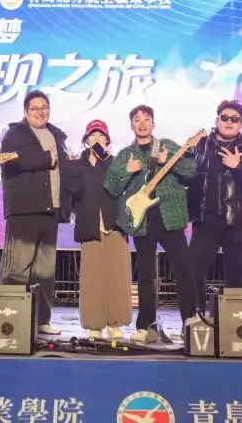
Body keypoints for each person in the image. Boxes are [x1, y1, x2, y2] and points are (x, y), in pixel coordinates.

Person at [105, 105, 198, 342]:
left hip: (170, 216)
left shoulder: (167, 146)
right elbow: (111, 187)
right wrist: (126, 172)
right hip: (142, 221)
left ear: (153, 124)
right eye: (137, 119)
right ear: (131, 125)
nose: (142, 123)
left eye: (146, 119)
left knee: (184, 269)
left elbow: (191, 170)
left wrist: (169, 161)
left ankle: (190, 321)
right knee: (146, 275)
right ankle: (145, 326)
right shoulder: (126, 154)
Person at [0, 90, 74, 335]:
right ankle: (8, 323)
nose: (40, 112)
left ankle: (42, 320)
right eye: (35, 108)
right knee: (17, 269)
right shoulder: (15, 134)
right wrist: (45, 158)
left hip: (51, 211)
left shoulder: (57, 135)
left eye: (44, 107)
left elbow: (63, 172)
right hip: (23, 210)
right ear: (26, 111)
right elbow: (9, 161)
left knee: (45, 271)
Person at [187, 100, 242, 313]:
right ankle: (196, 319)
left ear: (241, 124)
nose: (229, 122)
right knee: (192, 271)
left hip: (237, 222)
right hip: (206, 221)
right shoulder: (199, 146)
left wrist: (239, 166)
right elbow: (184, 174)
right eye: (225, 118)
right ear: (217, 120)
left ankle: (233, 322)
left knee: (236, 276)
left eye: (234, 119)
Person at [68, 120, 132, 339]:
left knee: (117, 275)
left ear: (107, 140)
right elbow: (73, 190)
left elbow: (119, 188)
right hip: (90, 225)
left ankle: (116, 323)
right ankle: (94, 325)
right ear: (86, 140)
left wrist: (103, 162)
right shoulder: (77, 164)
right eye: (92, 136)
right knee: (92, 277)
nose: (97, 139)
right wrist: (74, 167)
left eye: (101, 136)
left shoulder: (115, 163)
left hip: (115, 224)